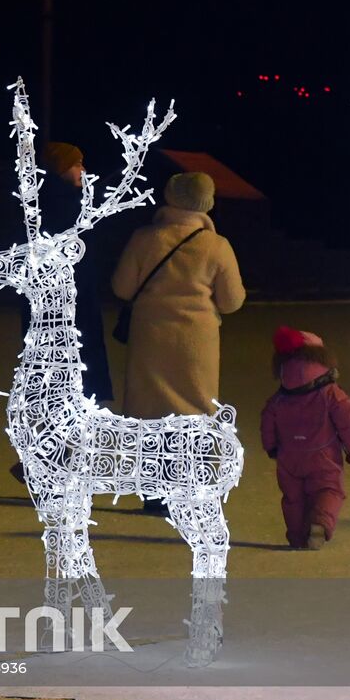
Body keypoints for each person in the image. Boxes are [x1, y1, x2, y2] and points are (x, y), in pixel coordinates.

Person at [111, 171, 246, 513]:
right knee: (195, 408)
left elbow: (122, 288)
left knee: (151, 410)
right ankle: (190, 486)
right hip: (196, 343)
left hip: (151, 338)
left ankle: (155, 492)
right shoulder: (217, 246)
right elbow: (232, 301)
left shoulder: (145, 239)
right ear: (208, 202)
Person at [8, 142, 113, 484]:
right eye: (78, 163)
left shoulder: (41, 203)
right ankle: (53, 461)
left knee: (57, 389)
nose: (83, 169)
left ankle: (50, 459)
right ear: (61, 168)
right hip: (69, 312)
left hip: (48, 311)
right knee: (69, 388)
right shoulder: (66, 206)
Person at [261, 326, 350, 550]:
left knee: (293, 499)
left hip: (289, 458)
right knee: (329, 490)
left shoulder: (280, 398)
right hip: (324, 455)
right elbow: (347, 419)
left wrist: (271, 446)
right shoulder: (331, 393)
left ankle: (297, 538)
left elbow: (267, 421)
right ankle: (319, 523)